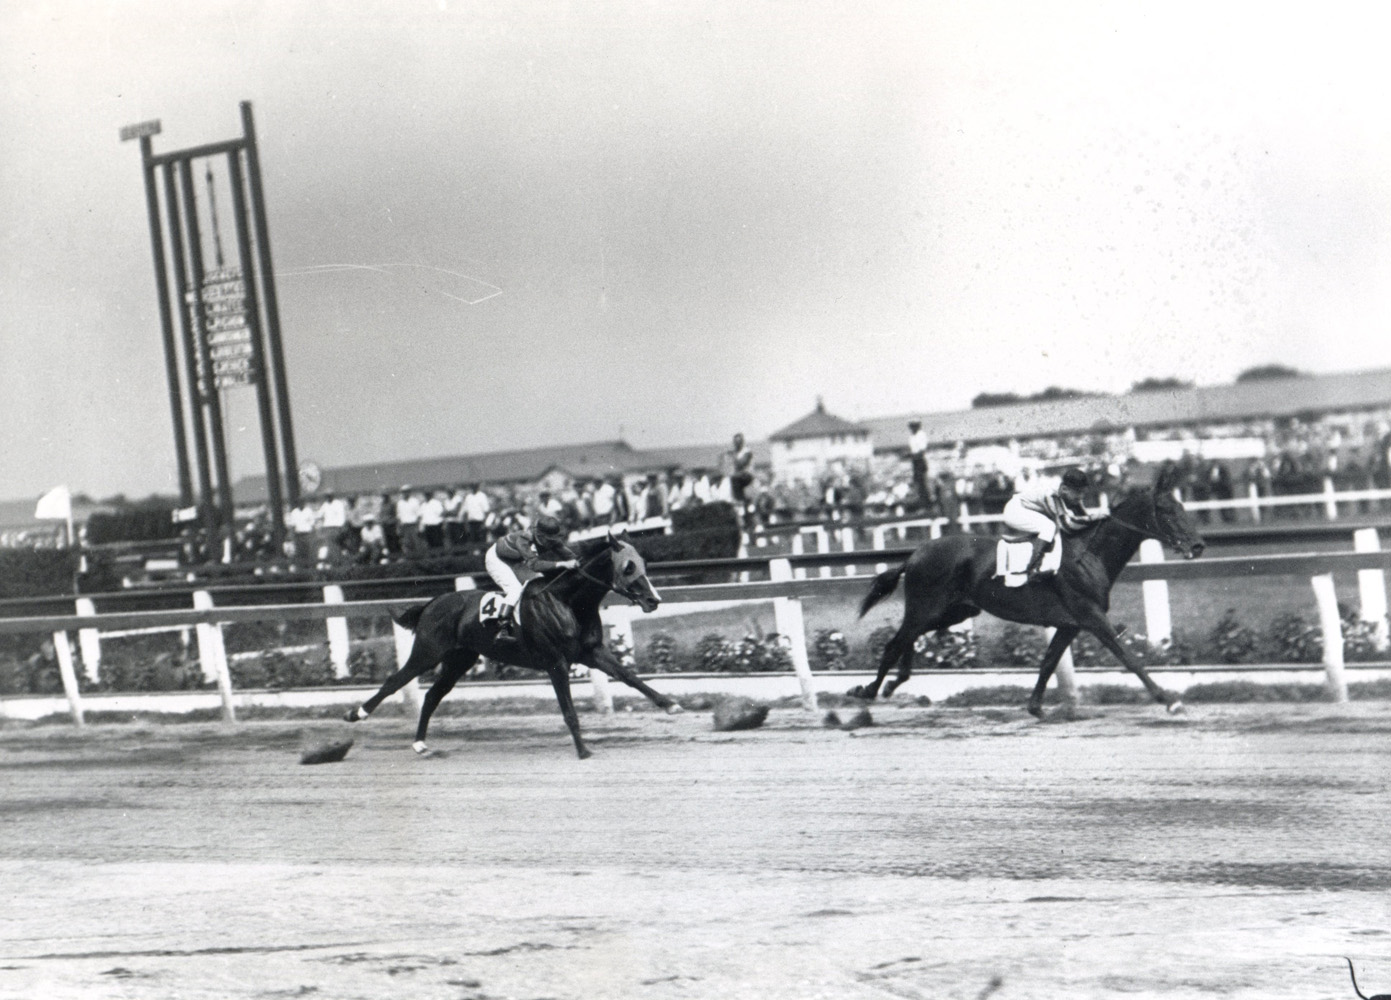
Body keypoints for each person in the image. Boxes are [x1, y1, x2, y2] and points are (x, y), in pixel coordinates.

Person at [484, 514, 580, 634]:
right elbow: (534, 565)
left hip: (518, 560)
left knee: (540, 584)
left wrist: (578, 561)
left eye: (554, 538)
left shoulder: (549, 539)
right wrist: (562, 564)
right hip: (498, 559)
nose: (553, 542)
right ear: (540, 535)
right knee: (515, 590)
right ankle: (502, 627)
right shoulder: (525, 539)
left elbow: (570, 556)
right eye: (550, 539)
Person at [1001, 467, 1099, 579]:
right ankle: (1033, 567)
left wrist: (1095, 519)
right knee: (1049, 527)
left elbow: (1084, 517)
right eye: (1078, 492)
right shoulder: (1051, 494)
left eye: (1083, 492)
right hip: (1014, 510)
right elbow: (1066, 525)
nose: (1081, 497)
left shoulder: (1068, 494)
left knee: (1052, 528)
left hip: (1029, 509)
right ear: (1064, 489)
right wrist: (1095, 518)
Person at [907, 420, 930, 508]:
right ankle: (922, 503)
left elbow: (922, 451)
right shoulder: (911, 437)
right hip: (915, 460)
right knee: (917, 482)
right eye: (911, 426)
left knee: (922, 482)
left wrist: (912, 455)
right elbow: (912, 450)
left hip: (920, 460)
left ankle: (927, 504)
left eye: (914, 426)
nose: (912, 428)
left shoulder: (921, 435)